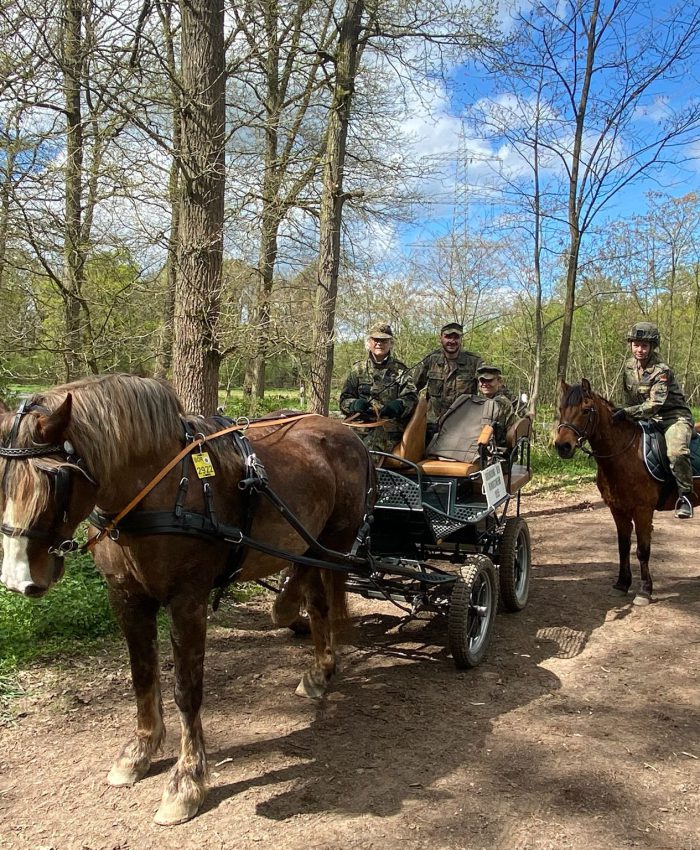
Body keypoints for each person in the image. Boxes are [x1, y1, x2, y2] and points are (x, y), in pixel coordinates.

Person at [614, 321, 695, 519]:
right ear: (631, 345)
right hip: (645, 417)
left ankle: (685, 496)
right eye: (636, 344)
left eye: (644, 345)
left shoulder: (661, 370)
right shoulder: (628, 368)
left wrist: (627, 413)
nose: (639, 349)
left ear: (652, 347)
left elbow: (654, 404)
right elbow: (629, 400)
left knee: (677, 452)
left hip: (672, 417)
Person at [339, 322, 418, 454]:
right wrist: (354, 405)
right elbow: (344, 400)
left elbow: (412, 398)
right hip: (359, 426)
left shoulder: (401, 370)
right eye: (376, 340)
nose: (379, 344)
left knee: (365, 452)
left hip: (388, 428)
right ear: (369, 342)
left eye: (384, 340)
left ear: (390, 343)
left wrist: (398, 406)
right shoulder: (357, 369)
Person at [413, 322, 483, 437]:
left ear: (461, 339)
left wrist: (519, 410)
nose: (452, 341)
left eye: (456, 337)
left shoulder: (474, 361)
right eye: (448, 337)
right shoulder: (431, 360)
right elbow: (412, 388)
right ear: (441, 337)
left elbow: (492, 383)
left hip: (463, 425)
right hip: (433, 425)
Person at [476, 364, 517, 446]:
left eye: (489, 380)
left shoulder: (501, 403)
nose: (485, 384)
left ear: (499, 382)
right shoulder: (480, 400)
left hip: (498, 450)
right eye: (482, 380)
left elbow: (495, 434)